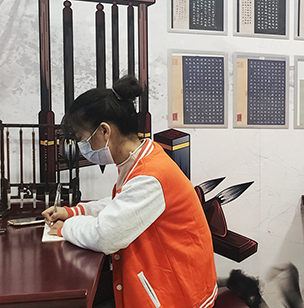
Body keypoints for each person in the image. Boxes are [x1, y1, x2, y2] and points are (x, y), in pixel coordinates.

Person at [43, 75, 218, 308]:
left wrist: (64, 228)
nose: (83, 147)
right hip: (161, 283)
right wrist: (74, 212)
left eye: (82, 139)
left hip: (178, 295)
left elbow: (106, 237)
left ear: (104, 131)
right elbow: (122, 204)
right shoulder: (143, 158)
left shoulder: (150, 175)